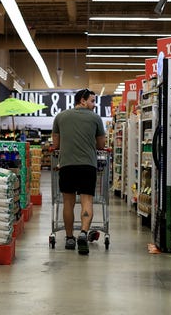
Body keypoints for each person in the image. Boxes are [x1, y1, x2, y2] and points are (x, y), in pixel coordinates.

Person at [52, 88, 106, 255]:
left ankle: (69, 238)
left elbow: (56, 144)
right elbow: (101, 145)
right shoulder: (96, 119)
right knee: (87, 201)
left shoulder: (60, 117)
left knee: (68, 202)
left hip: (67, 165)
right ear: (82, 100)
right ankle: (83, 233)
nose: (94, 105)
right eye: (92, 101)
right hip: (87, 166)